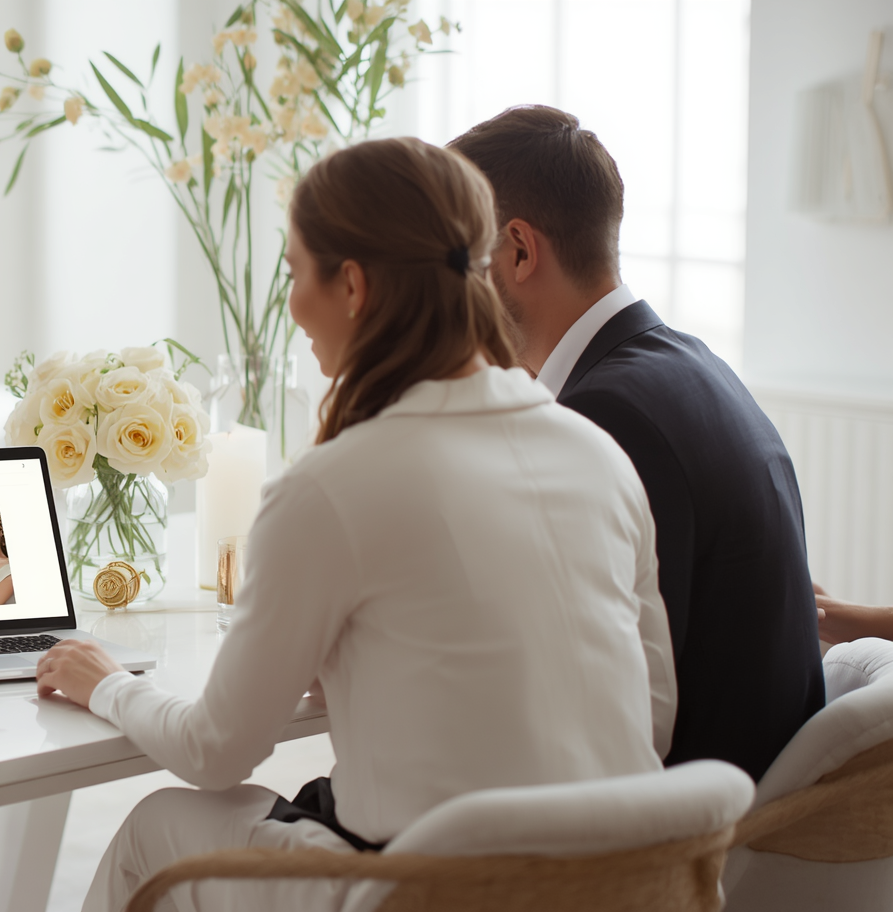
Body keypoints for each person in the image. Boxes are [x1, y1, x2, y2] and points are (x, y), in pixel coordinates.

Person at [36, 137, 677, 912]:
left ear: (351, 285)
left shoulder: (332, 487)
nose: (294, 306)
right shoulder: (598, 454)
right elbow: (653, 714)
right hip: (615, 888)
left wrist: (107, 684)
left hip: (423, 895)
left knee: (161, 824)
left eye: (297, 273)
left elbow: (216, 751)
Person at [447, 105, 823, 781]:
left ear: (520, 251)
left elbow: (594, 695)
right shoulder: (690, 362)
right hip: (743, 786)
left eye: (456, 260)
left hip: (675, 829)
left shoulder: (604, 414)